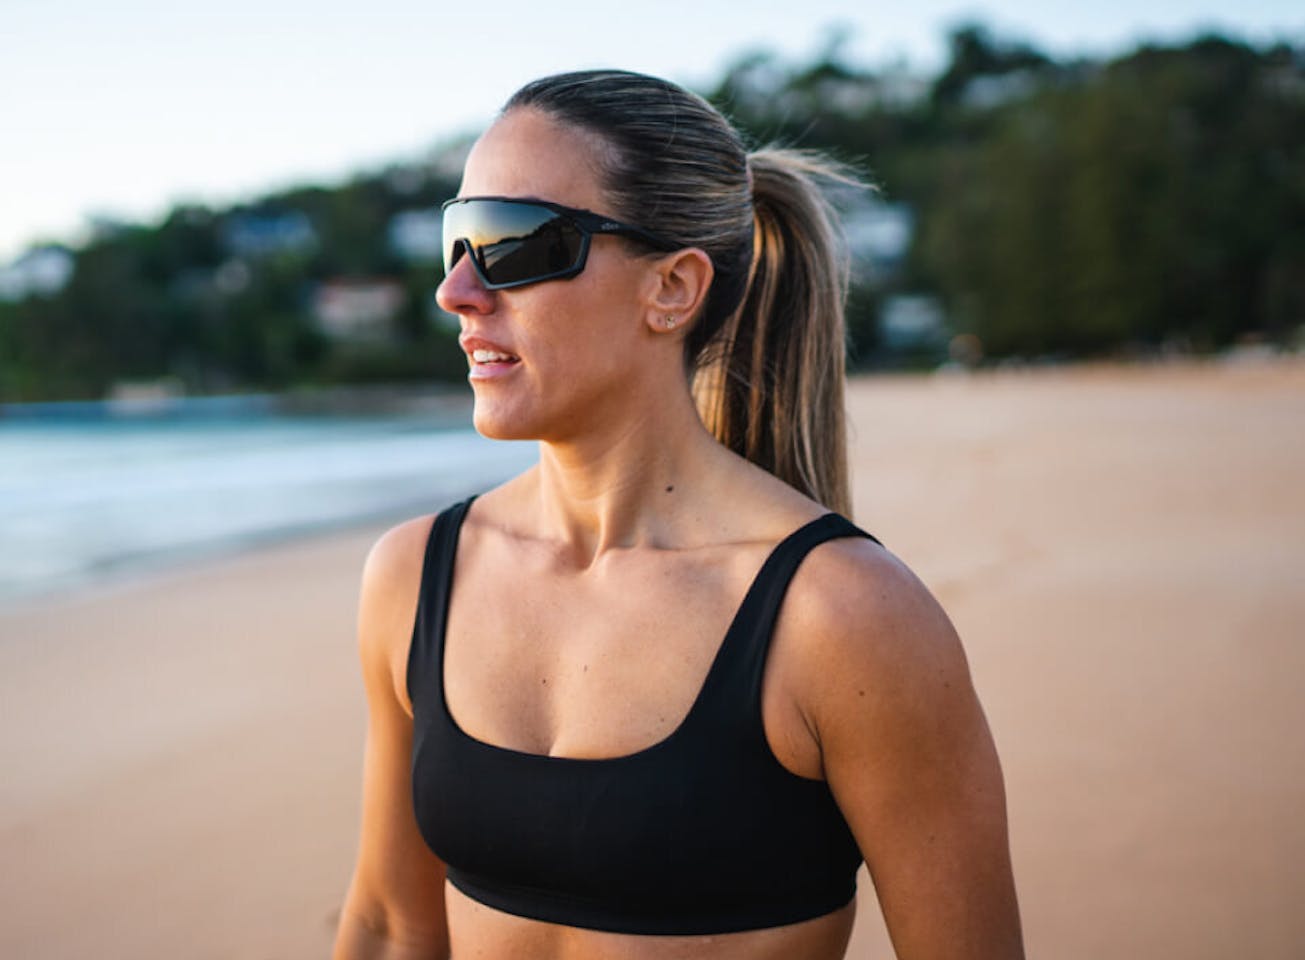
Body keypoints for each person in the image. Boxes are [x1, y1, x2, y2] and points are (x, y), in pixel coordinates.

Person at [332, 69, 1023, 960]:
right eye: (455, 238)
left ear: (671, 289)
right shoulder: (415, 575)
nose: (457, 291)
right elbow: (392, 927)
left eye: (511, 243)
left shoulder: (842, 619)